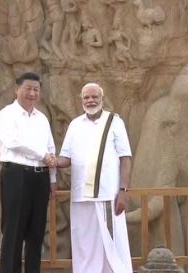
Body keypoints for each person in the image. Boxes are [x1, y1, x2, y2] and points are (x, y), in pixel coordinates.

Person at [55, 82, 132, 273]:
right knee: (84, 243)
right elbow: (66, 158)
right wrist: (49, 160)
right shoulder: (75, 125)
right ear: (81, 100)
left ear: (102, 99)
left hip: (106, 196)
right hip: (81, 196)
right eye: (87, 97)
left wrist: (123, 190)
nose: (90, 101)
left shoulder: (114, 122)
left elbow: (126, 158)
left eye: (94, 97)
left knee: (112, 246)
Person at [0, 72, 57, 273]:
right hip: (16, 176)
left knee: (36, 232)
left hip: (40, 178)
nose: (32, 93)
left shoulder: (42, 119)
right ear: (17, 89)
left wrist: (53, 179)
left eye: (36, 90)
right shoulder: (7, 114)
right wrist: (41, 154)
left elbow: (50, 149)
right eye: (28, 88)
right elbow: (12, 142)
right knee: (13, 232)